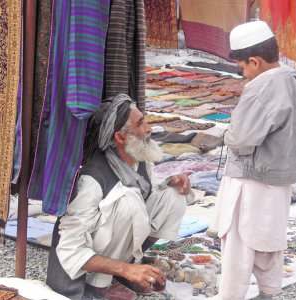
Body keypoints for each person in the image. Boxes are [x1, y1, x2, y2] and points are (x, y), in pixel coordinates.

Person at [46, 94, 194, 300]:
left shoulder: (138, 159)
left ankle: (125, 268)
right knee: (127, 200)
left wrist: (173, 183)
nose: (149, 128)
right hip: (82, 261)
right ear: (121, 137)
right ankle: (101, 281)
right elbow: (69, 247)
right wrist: (126, 270)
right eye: (140, 124)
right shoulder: (91, 179)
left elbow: (149, 195)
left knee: (171, 196)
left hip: (116, 245)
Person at [213, 21, 296, 300]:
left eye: (243, 67)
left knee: (238, 246)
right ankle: (269, 293)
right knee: (269, 243)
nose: (243, 74)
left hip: (250, 181)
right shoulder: (295, 87)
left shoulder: (260, 90)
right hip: (279, 183)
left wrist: (229, 133)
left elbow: (242, 141)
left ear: (254, 61)